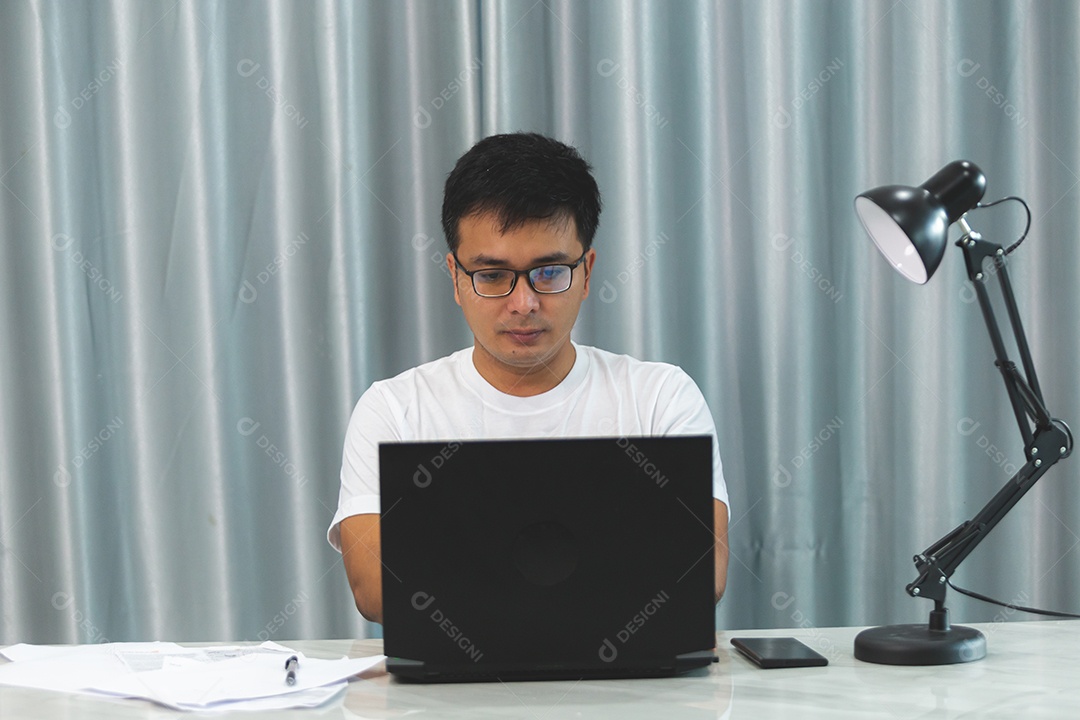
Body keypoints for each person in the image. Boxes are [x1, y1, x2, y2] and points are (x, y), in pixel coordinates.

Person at [327, 132, 729, 623]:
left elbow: (701, 574)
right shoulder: (394, 409)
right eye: (493, 275)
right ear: (455, 278)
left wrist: (461, 572)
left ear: (587, 273)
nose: (524, 303)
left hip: (631, 691)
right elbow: (375, 590)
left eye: (550, 271)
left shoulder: (660, 397)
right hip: (447, 696)